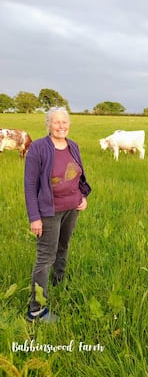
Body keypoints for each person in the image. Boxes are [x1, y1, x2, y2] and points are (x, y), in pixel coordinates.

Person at [24, 107, 91, 322]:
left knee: (64, 246)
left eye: (64, 122)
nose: (61, 126)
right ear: (48, 125)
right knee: (45, 257)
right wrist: (34, 217)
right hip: (49, 211)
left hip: (72, 208)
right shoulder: (38, 148)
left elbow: (79, 175)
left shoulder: (73, 146)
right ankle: (36, 310)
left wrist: (83, 196)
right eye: (56, 122)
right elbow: (30, 185)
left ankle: (58, 281)